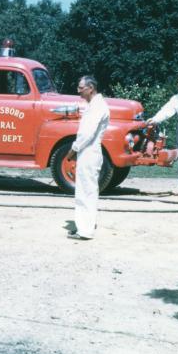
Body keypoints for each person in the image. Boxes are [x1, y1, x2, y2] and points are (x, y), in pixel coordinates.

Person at [66, 76, 110, 240]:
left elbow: (87, 133)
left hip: (89, 151)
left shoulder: (98, 106)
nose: (78, 91)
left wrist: (73, 149)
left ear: (90, 88)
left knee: (87, 191)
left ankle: (85, 230)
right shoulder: (93, 105)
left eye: (81, 88)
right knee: (84, 190)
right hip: (88, 151)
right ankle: (83, 226)